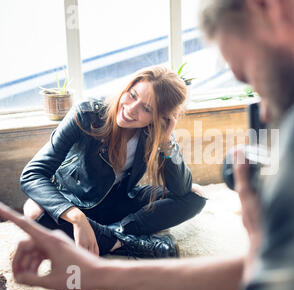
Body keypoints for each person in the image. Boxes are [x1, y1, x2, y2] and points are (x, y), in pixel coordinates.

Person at [1, 0, 294, 290]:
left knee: (193, 199)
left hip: (119, 209)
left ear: (268, 10)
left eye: (250, 74)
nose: (267, 112)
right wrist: (92, 264)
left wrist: (261, 244)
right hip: (76, 203)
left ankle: (115, 236)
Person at [18, 66, 207, 258]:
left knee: (195, 194)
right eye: (133, 95)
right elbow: (32, 174)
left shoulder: (154, 131)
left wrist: (166, 140)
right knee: (33, 211)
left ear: (159, 118)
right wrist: (75, 217)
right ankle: (128, 243)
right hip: (76, 199)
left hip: (119, 199)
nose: (131, 109)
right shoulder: (87, 113)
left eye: (147, 108)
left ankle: (113, 235)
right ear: (126, 88)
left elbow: (181, 188)